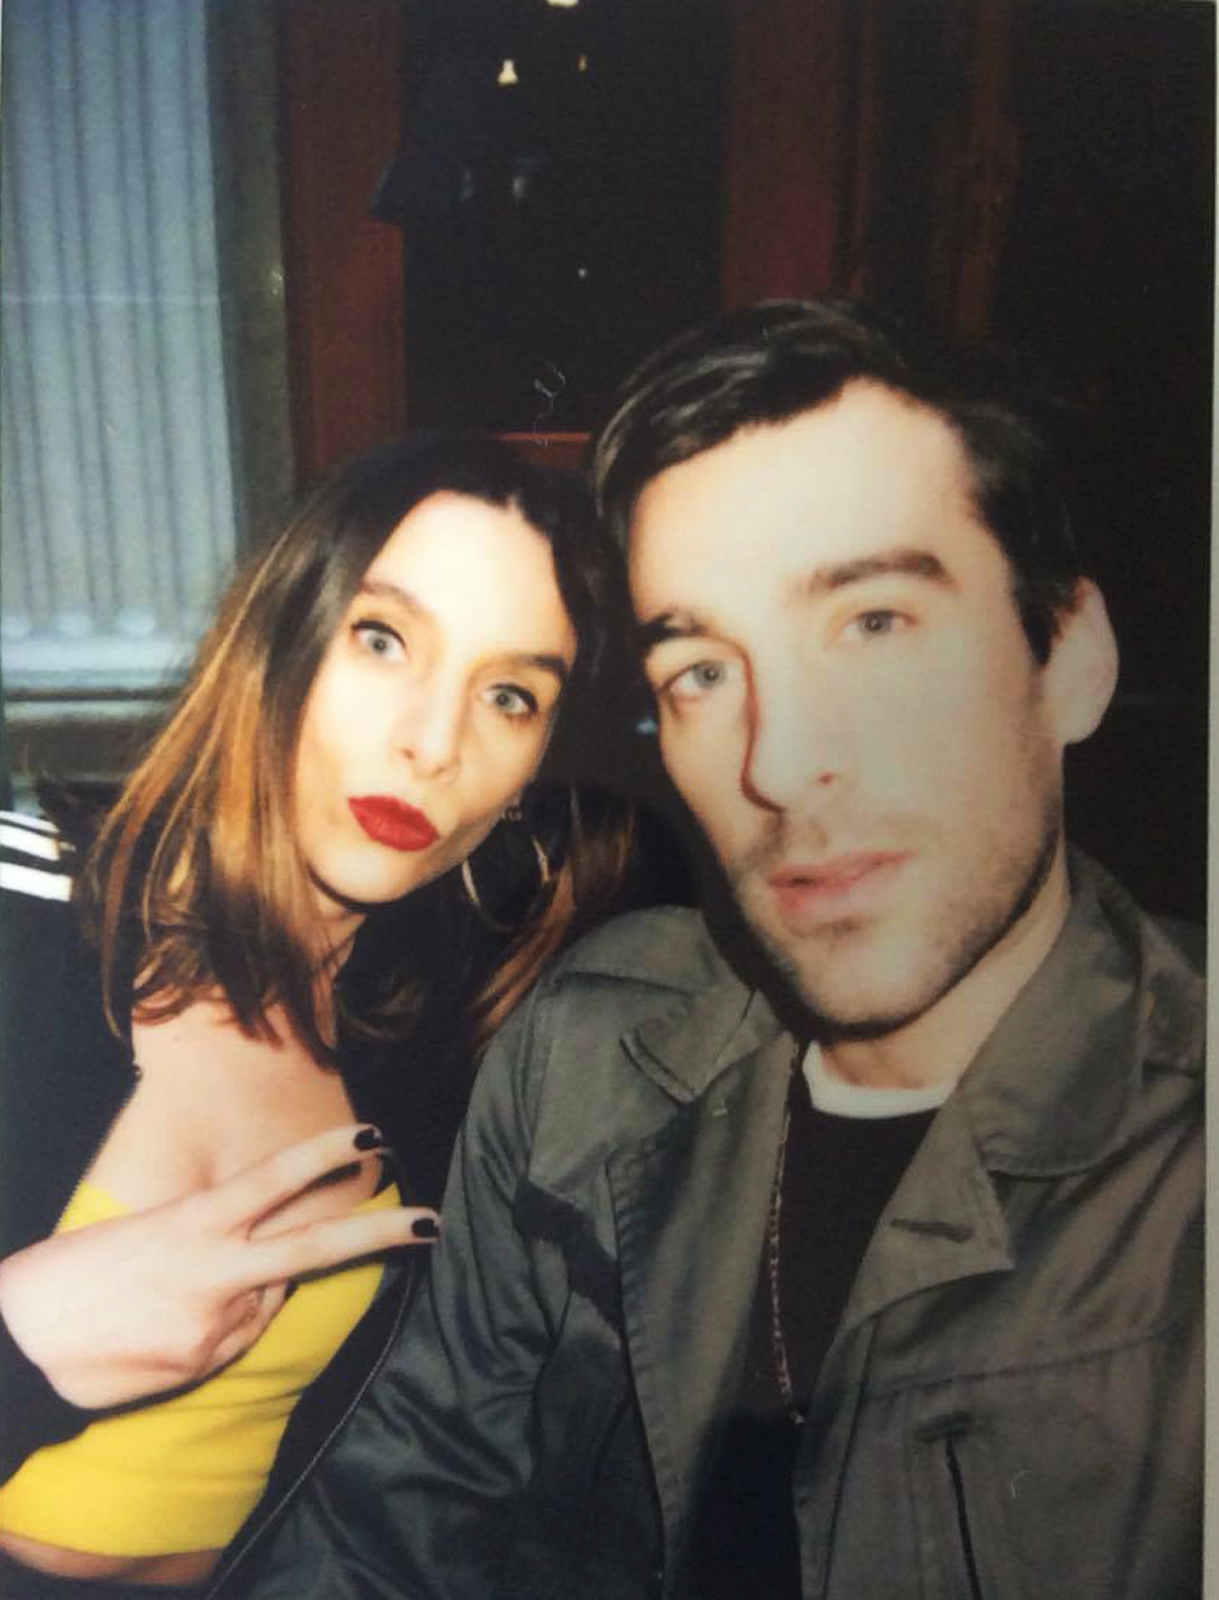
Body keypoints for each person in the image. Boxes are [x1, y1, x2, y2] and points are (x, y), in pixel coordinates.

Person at [237, 301, 1203, 1600]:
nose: (777, 761)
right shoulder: (588, 1052)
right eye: (699, 670)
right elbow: (402, 1519)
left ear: (1069, 660)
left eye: (872, 623)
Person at [0, 433, 631, 1599]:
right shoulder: (22, 914)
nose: (432, 744)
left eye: (508, 694)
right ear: (277, 637)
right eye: (383, 639)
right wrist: (20, 1342)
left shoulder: (464, 1048)